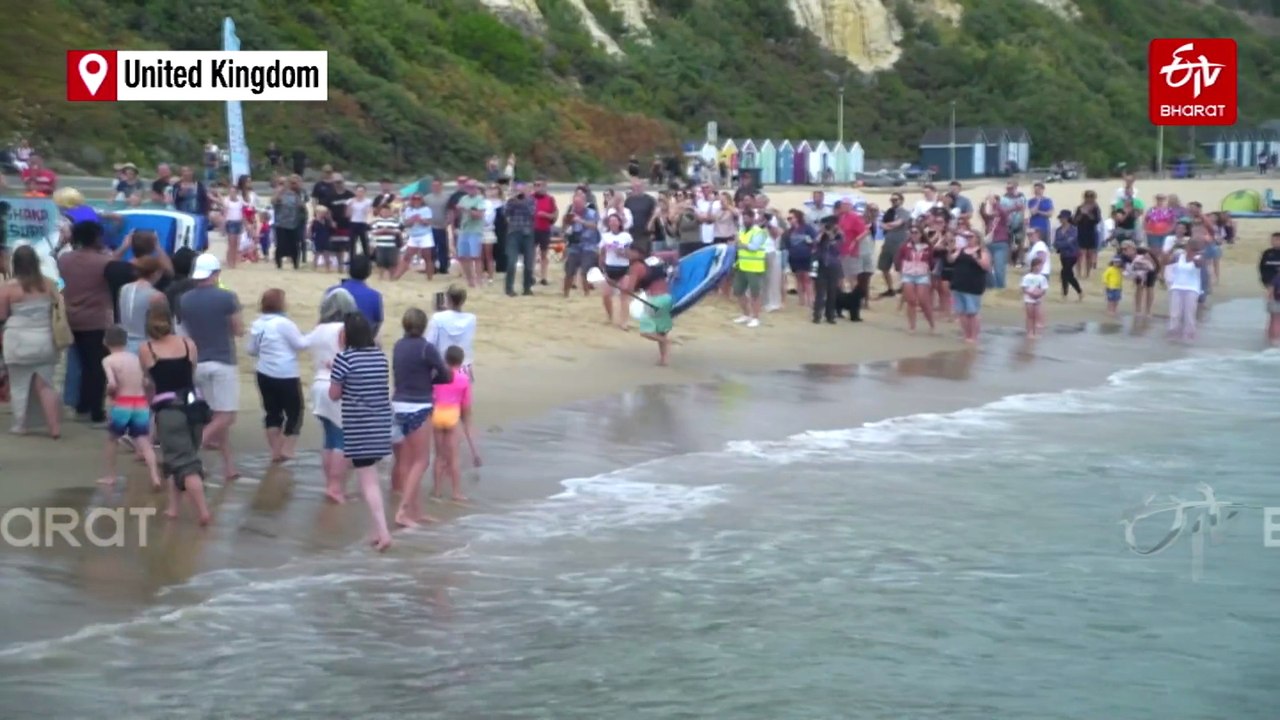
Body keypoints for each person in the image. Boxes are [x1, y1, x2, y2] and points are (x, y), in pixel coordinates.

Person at [139, 302, 211, 525]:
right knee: (179, 460)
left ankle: (203, 512)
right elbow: (191, 372)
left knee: (186, 465)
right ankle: (173, 508)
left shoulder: (147, 349)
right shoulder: (188, 344)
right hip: (195, 407)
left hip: (169, 410)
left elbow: (149, 382)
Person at [328, 313, 394, 551]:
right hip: (380, 422)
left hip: (359, 425)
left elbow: (334, 394)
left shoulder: (344, 359)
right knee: (371, 476)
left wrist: (334, 370)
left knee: (368, 481)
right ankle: (378, 531)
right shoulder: (379, 356)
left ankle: (384, 533)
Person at [180, 254, 244, 481]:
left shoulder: (185, 299)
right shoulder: (227, 297)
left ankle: (229, 467)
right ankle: (191, 452)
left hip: (198, 362)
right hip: (223, 360)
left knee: (215, 416)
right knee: (226, 416)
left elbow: (184, 331)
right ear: (215, 274)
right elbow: (238, 329)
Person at [389, 307, 453, 526]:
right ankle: (404, 511)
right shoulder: (427, 348)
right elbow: (444, 375)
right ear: (423, 326)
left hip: (398, 405)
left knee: (406, 462)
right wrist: (430, 381)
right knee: (422, 460)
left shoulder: (398, 346)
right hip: (418, 405)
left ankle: (416, 511)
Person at [0, 246, 62, 437]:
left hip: (17, 340)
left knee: (19, 385)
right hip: (45, 339)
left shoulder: (9, 288)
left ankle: (20, 424)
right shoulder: (50, 284)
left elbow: (2, 316)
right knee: (45, 385)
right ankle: (54, 427)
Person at [58, 220, 113, 424]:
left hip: (70, 316)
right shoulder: (103, 262)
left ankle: (80, 403)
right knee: (96, 366)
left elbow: (59, 281)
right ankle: (95, 409)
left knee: (78, 362)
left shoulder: (65, 259)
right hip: (95, 319)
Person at [247, 289, 309, 463]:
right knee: (295, 412)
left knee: (272, 413)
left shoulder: (257, 324)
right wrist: (313, 336)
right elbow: (300, 344)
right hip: (286, 373)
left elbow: (251, 350)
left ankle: (275, 451)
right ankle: (287, 449)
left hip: (264, 373)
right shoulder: (284, 323)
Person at [306, 289, 356, 504]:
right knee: (342, 440)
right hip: (336, 385)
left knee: (329, 438)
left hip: (318, 385)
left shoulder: (318, 329)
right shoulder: (344, 329)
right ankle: (336, 486)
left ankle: (330, 484)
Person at [99, 325, 162, 489]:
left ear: (105, 342)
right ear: (126, 341)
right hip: (140, 402)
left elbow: (112, 383)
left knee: (113, 439)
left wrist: (108, 393)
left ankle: (111, 476)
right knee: (144, 442)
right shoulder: (135, 359)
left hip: (123, 403)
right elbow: (146, 382)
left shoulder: (108, 360)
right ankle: (155, 476)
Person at [431, 345, 480, 502]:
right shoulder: (463, 379)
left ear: (445, 359)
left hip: (438, 414)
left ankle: (437, 491)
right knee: (453, 458)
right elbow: (465, 406)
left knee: (439, 457)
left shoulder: (437, 376)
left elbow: (432, 396)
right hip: (452, 414)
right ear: (460, 362)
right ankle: (456, 492)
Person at [620, 242, 674, 365]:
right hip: (667, 297)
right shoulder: (653, 260)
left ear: (637, 253)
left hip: (655, 300)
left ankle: (667, 342)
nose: (626, 253)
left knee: (646, 332)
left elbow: (630, 289)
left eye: (629, 251)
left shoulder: (636, 267)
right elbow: (674, 254)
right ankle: (664, 359)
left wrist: (622, 287)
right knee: (661, 330)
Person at [117, 255, 167, 354]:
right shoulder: (157, 296)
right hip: (146, 346)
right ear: (156, 273)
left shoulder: (123, 289)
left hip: (124, 344)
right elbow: (161, 328)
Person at [947, 233, 991, 344]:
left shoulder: (982, 251)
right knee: (961, 312)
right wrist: (949, 251)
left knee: (973, 312)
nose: (968, 239)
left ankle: (974, 336)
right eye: (967, 237)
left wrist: (977, 258)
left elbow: (986, 266)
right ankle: (966, 335)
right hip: (958, 284)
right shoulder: (961, 249)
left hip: (973, 285)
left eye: (971, 237)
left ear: (977, 238)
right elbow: (951, 260)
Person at [426, 284, 477, 379]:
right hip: (464, 368)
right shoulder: (471, 319)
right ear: (463, 301)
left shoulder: (438, 318)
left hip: (442, 368)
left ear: (447, 299)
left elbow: (430, 343)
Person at [327, 255, 384, 339]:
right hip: (361, 340)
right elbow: (377, 323)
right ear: (368, 273)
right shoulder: (375, 295)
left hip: (334, 338)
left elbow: (324, 318)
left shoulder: (332, 291)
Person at [894, 227, 935, 334]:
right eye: (911, 232)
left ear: (921, 234)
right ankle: (912, 326)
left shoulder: (928, 247)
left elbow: (931, 261)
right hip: (908, 274)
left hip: (922, 275)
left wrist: (928, 269)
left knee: (923, 301)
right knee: (911, 301)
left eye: (916, 232)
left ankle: (931, 323)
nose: (913, 235)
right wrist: (900, 269)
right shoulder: (905, 246)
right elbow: (899, 258)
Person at [733, 209, 768, 328]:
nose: (746, 220)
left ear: (753, 218)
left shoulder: (758, 231)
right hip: (742, 265)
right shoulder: (742, 230)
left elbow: (754, 247)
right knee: (738, 291)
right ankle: (746, 314)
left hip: (754, 266)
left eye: (748, 218)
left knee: (755, 293)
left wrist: (740, 244)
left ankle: (756, 317)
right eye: (744, 218)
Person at [562, 192, 601, 296]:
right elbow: (565, 230)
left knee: (585, 270)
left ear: (584, 202)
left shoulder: (592, 213)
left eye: (579, 204)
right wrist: (566, 223)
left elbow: (595, 226)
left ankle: (586, 293)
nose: (576, 206)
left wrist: (580, 221)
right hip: (575, 245)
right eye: (575, 204)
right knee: (569, 270)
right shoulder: (571, 213)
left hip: (589, 245)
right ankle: (565, 293)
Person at [599, 213, 633, 328]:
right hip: (610, 268)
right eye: (611, 221)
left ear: (619, 223)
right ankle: (610, 316)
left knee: (624, 296)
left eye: (615, 220)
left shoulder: (626, 236)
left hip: (624, 269)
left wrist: (622, 253)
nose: (613, 223)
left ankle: (624, 322)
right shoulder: (605, 236)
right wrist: (601, 268)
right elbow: (602, 253)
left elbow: (631, 254)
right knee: (606, 295)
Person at [503, 182, 537, 296]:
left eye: (522, 190)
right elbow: (506, 213)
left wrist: (522, 201)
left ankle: (527, 288)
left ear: (527, 190)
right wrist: (512, 201)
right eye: (518, 190)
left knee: (528, 263)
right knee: (511, 262)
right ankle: (509, 289)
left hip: (527, 234)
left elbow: (531, 212)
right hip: (513, 233)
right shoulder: (511, 200)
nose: (520, 193)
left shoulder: (531, 200)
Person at [1166, 243, 1204, 342]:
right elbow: (1165, 262)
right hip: (1177, 287)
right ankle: (1173, 334)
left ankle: (1189, 336)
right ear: (1187, 248)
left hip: (1192, 288)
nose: (1191, 251)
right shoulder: (1179, 256)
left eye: (1194, 249)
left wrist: (1195, 257)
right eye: (1190, 248)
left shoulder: (1199, 258)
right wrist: (1171, 251)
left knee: (1189, 314)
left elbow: (1199, 264)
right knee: (1175, 313)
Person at [811, 216, 844, 324]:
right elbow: (815, 244)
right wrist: (822, 232)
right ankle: (817, 315)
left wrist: (831, 234)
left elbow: (837, 247)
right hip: (821, 265)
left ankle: (830, 315)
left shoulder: (839, 234)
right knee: (820, 292)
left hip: (834, 265)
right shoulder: (821, 234)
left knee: (832, 292)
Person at [394, 193, 435, 280]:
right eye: (414, 199)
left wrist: (420, 220)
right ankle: (396, 277)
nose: (416, 201)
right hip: (414, 235)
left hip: (425, 235)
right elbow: (406, 224)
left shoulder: (426, 209)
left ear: (421, 200)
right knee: (407, 256)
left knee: (427, 256)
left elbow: (428, 223)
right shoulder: (408, 209)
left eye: (418, 199)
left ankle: (430, 278)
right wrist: (412, 220)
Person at [455, 180, 487, 288]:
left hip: (475, 230)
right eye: (468, 187)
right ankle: (470, 280)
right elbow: (458, 211)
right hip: (464, 229)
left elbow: (479, 215)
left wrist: (467, 210)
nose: (470, 189)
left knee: (476, 257)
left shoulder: (480, 199)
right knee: (462, 256)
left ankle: (479, 280)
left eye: (473, 187)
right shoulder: (463, 199)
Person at [272, 175, 308, 270]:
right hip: (281, 223)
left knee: (294, 244)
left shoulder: (296, 194)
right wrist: (280, 192)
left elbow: (302, 206)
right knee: (280, 244)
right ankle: (279, 263)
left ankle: (295, 263)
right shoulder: (280, 193)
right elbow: (274, 201)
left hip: (293, 223)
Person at [782, 210, 816, 309]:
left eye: (791, 218)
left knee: (807, 278)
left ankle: (810, 300)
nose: (789, 220)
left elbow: (815, 240)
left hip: (806, 256)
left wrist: (811, 245)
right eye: (788, 218)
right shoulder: (789, 231)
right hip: (794, 257)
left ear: (797, 218)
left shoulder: (807, 228)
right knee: (798, 278)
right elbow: (786, 243)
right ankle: (801, 300)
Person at [532, 178, 558, 286]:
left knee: (544, 253)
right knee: (531, 253)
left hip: (544, 229)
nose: (538, 187)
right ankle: (531, 275)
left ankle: (543, 277)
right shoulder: (530, 198)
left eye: (540, 185)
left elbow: (555, 215)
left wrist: (546, 215)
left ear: (545, 186)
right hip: (532, 229)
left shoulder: (550, 199)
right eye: (536, 185)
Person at [1053, 210, 1083, 301]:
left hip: (1072, 254)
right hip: (1063, 255)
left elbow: (1071, 242)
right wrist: (1063, 243)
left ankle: (1065, 294)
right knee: (1068, 274)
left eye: (1062, 218)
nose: (1061, 220)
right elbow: (1056, 243)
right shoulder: (1058, 230)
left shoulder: (1074, 230)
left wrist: (1062, 244)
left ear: (1067, 218)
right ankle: (1078, 292)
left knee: (1065, 272)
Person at [1073, 190, 1103, 279]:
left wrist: (1088, 213)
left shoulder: (1096, 208)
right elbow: (1074, 221)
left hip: (1091, 232)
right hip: (1081, 232)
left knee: (1089, 254)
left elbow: (1097, 220)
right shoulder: (1079, 208)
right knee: (1079, 253)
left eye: (1091, 197)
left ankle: (1087, 273)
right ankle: (1078, 273)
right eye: (1087, 197)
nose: (1089, 199)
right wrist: (1081, 214)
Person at [370, 204, 403, 280]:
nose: (385, 213)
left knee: (392, 263)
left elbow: (398, 231)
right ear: (380, 212)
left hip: (392, 245)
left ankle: (392, 277)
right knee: (380, 262)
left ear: (390, 212)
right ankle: (380, 277)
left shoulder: (395, 221)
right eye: (383, 211)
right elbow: (373, 231)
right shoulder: (377, 221)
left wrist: (388, 230)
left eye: (386, 211)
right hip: (380, 245)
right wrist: (381, 231)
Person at [1021, 256, 1049, 338]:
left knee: (1037, 315)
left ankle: (1036, 332)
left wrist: (1039, 294)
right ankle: (1029, 332)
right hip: (1029, 299)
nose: (1038, 268)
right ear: (1032, 266)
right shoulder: (1027, 277)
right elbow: (1024, 288)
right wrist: (1031, 293)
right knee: (1030, 316)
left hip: (1038, 299)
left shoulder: (1042, 278)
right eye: (1037, 265)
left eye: (1040, 266)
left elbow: (1044, 289)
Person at [348, 184, 374, 258]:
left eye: (362, 191)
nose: (360, 193)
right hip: (353, 222)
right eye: (358, 191)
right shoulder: (350, 201)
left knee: (365, 242)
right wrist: (350, 205)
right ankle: (352, 260)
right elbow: (348, 214)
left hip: (363, 222)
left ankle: (367, 259)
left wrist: (369, 221)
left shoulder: (368, 201)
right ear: (355, 192)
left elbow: (370, 212)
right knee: (352, 243)